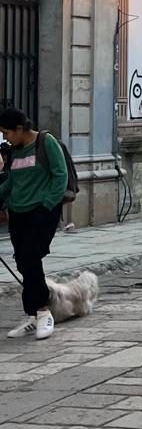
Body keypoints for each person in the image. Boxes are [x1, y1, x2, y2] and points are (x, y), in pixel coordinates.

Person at [0, 108, 69, 341]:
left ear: (20, 129)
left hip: (41, 212)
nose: (5, 138)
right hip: (18, 213)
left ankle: (42, 312)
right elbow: (12, 181)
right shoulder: (15, 151)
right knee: (23, 261)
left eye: (7, 132)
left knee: (31, 258)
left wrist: (47, 205)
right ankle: (34, 313)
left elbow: (61, 176)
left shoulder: (46, 142)